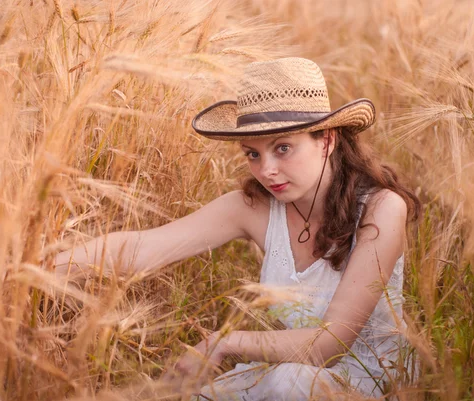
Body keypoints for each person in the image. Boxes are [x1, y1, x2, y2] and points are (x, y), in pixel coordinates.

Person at [55, 57, 420, 400]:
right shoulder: (254, 208)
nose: (266, 171)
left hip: (372, 380)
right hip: (290, 374)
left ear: (326, 140)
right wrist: (35, 269)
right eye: (253, 154)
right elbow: (140, 247)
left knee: (286, 385)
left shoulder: (382, 209)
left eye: (283, 148)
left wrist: (224, 343)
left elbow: (331, 345)